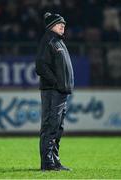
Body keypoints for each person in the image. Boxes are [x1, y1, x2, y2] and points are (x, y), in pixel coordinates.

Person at [35, 12, 74, 171]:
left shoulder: (57, 41)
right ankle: (47, 163)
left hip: (60, 92)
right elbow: (40, 66)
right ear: (51, 26)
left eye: (64, 24)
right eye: (59, 24)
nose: (63, 26)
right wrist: (56, 82)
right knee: (50, 126)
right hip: (53, 91)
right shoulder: (49, 40)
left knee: (57, 128)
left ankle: (54, 161)